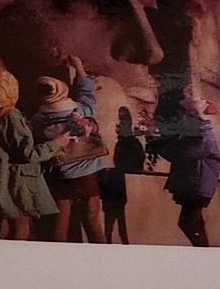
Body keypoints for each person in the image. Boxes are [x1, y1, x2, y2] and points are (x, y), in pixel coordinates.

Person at [28, 71, 111, 243]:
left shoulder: (39, 119)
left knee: (60, 225)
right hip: (86, 173)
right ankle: (101, 253)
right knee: (92, 217)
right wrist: (79, 69)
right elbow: (87, 94)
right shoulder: (79, 110)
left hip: (59, 174)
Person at [0, 68, 56, 241]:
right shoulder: (11, 116)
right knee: (21, 229)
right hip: (18, 181)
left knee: (3, 229)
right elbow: (29, 154)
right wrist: (57, 144)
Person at [152, 74, 220, 247]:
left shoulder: (202, 131)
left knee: (187, 222)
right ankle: (204, 252)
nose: (181, 117)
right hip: (194, 183)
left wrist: (163, 147)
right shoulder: (195, 131)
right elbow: (181, 154)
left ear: (193, 114)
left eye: (184, 113)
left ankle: (204, 253)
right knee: (196, 222)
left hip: (197, 184)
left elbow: (189, 152)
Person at [100, 105, 138, 244]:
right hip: (114, 183)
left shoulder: (126, 143)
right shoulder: (125, 143)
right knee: (115, 224)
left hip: (115, 182)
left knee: (114, 224)